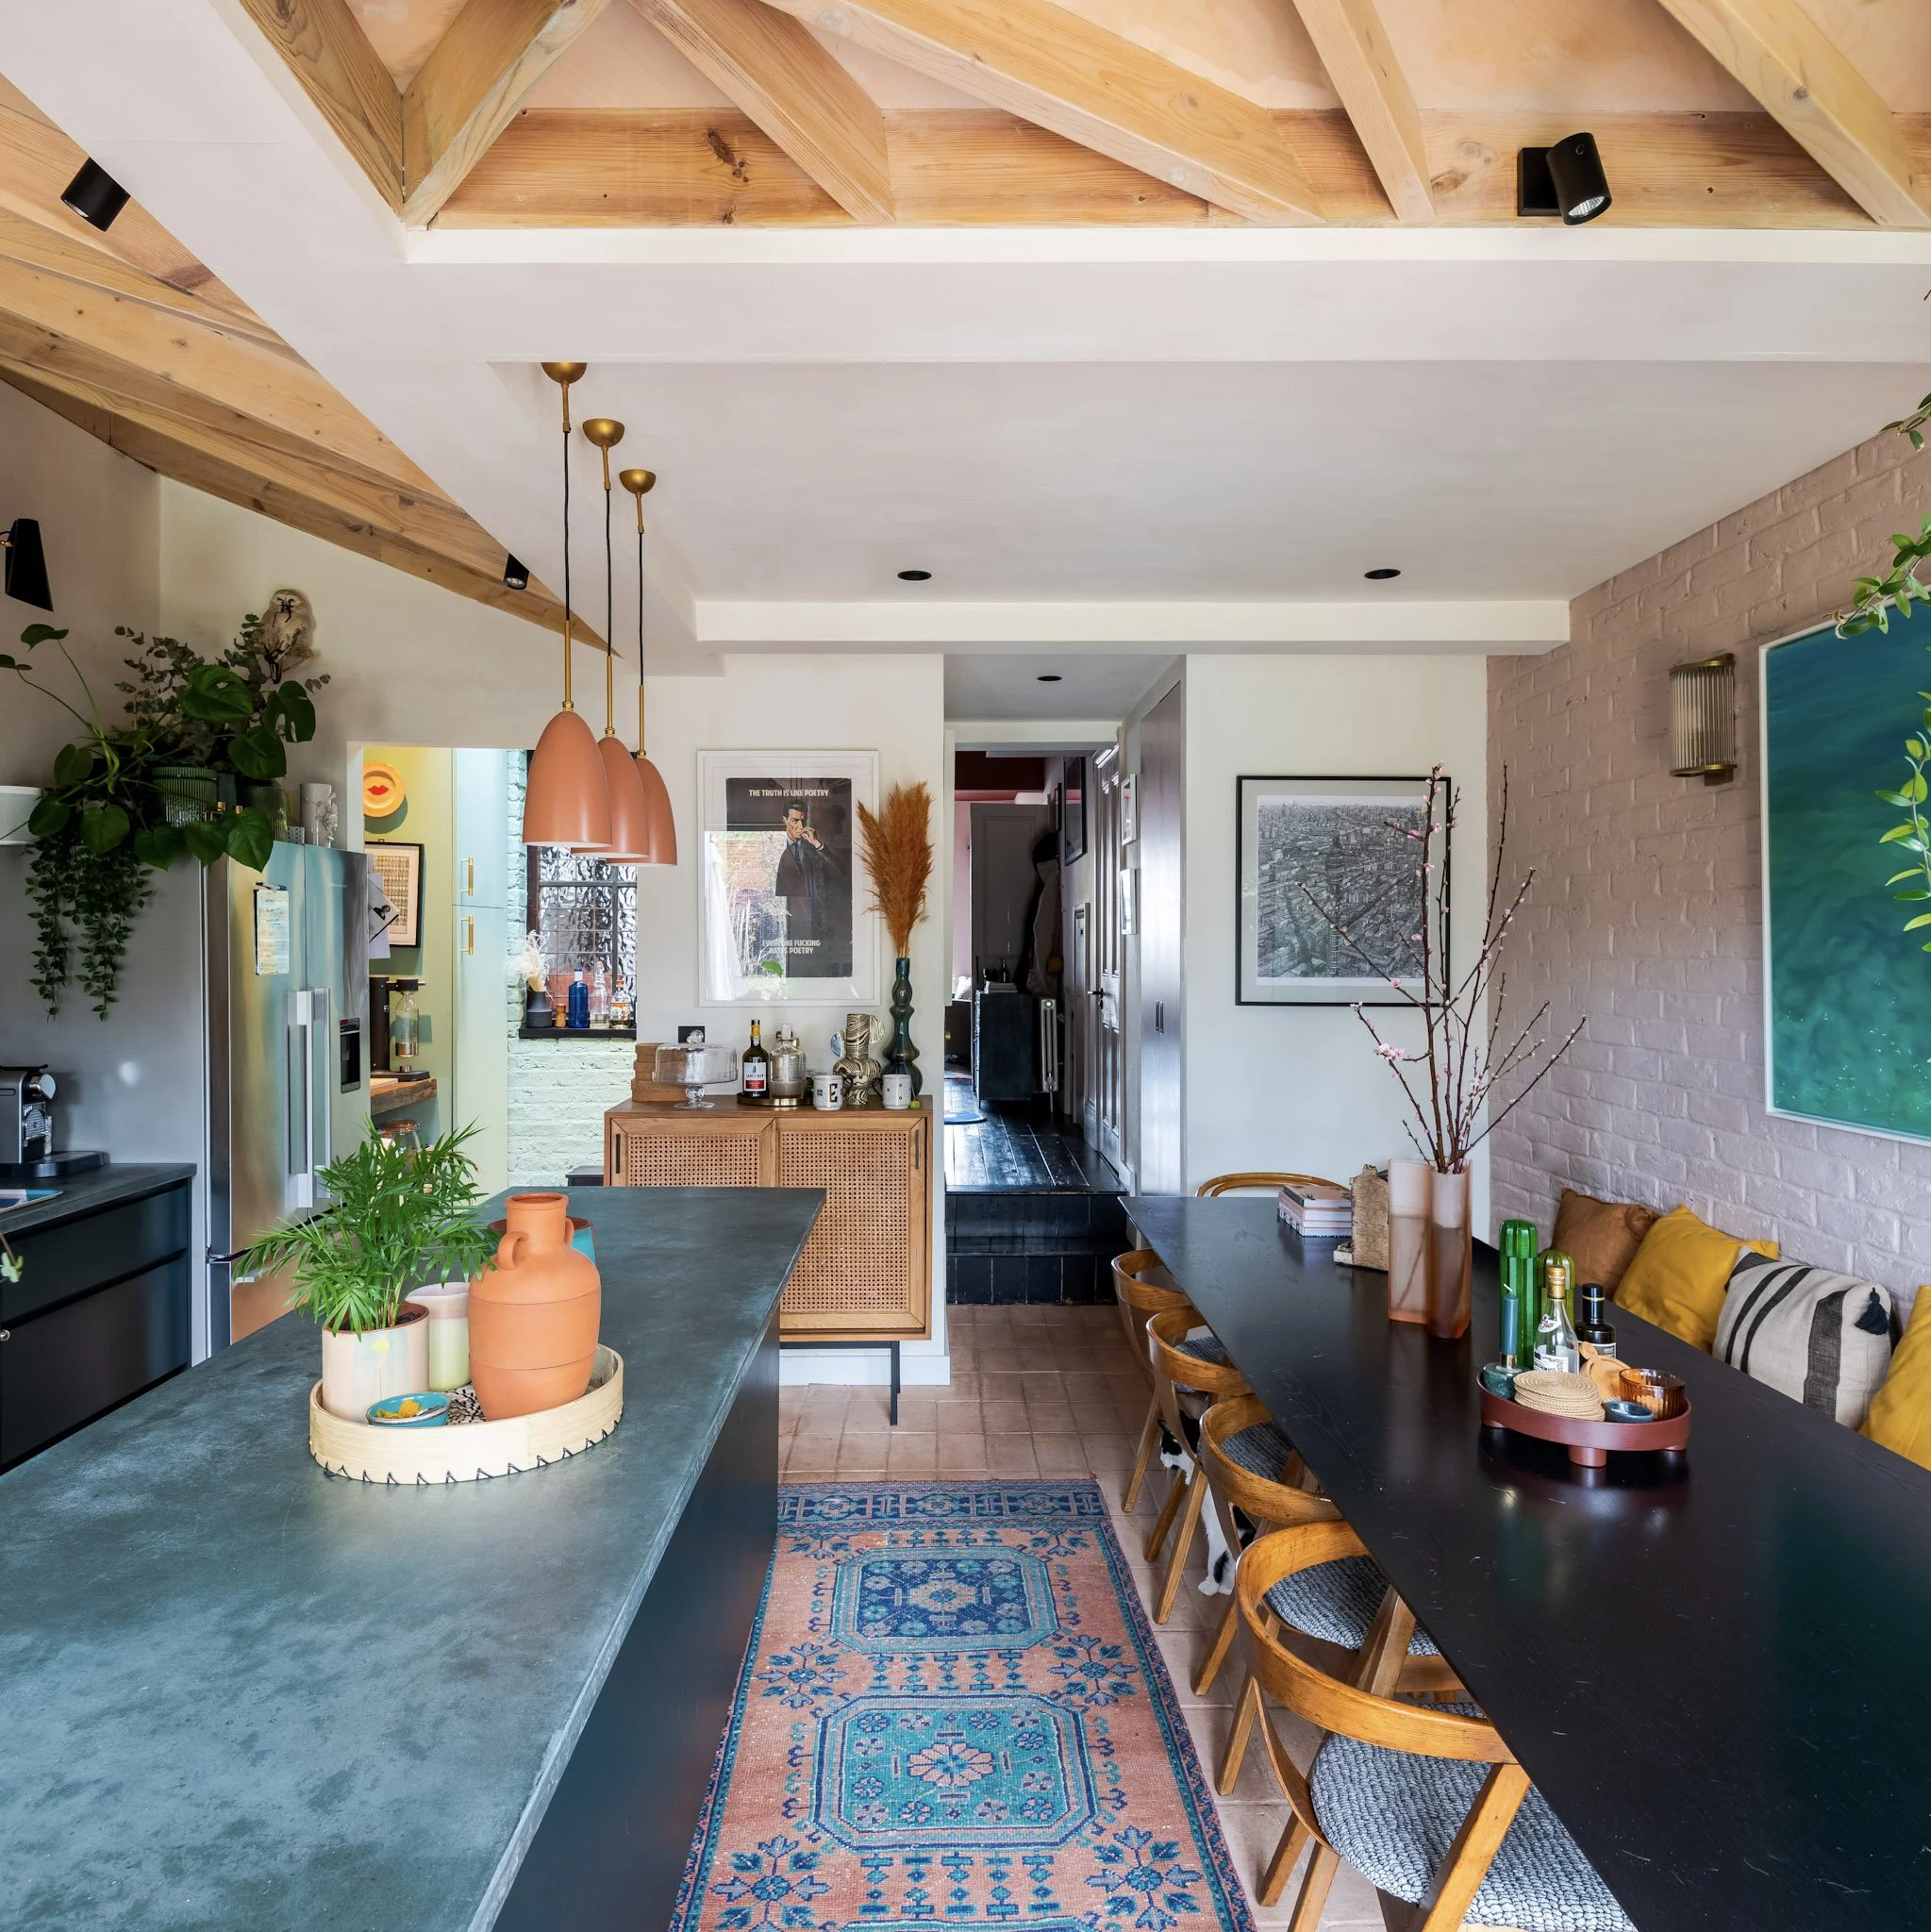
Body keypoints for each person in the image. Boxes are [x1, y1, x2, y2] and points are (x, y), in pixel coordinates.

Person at [774, 802, 848, 974]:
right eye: (794, 821)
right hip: (791, 926)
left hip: (820, 925)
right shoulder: (775, 848)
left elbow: (840, 873)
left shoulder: (813, 847)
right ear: (785, 820)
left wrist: (817, 845)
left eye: (802, 820)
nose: (799, 826)